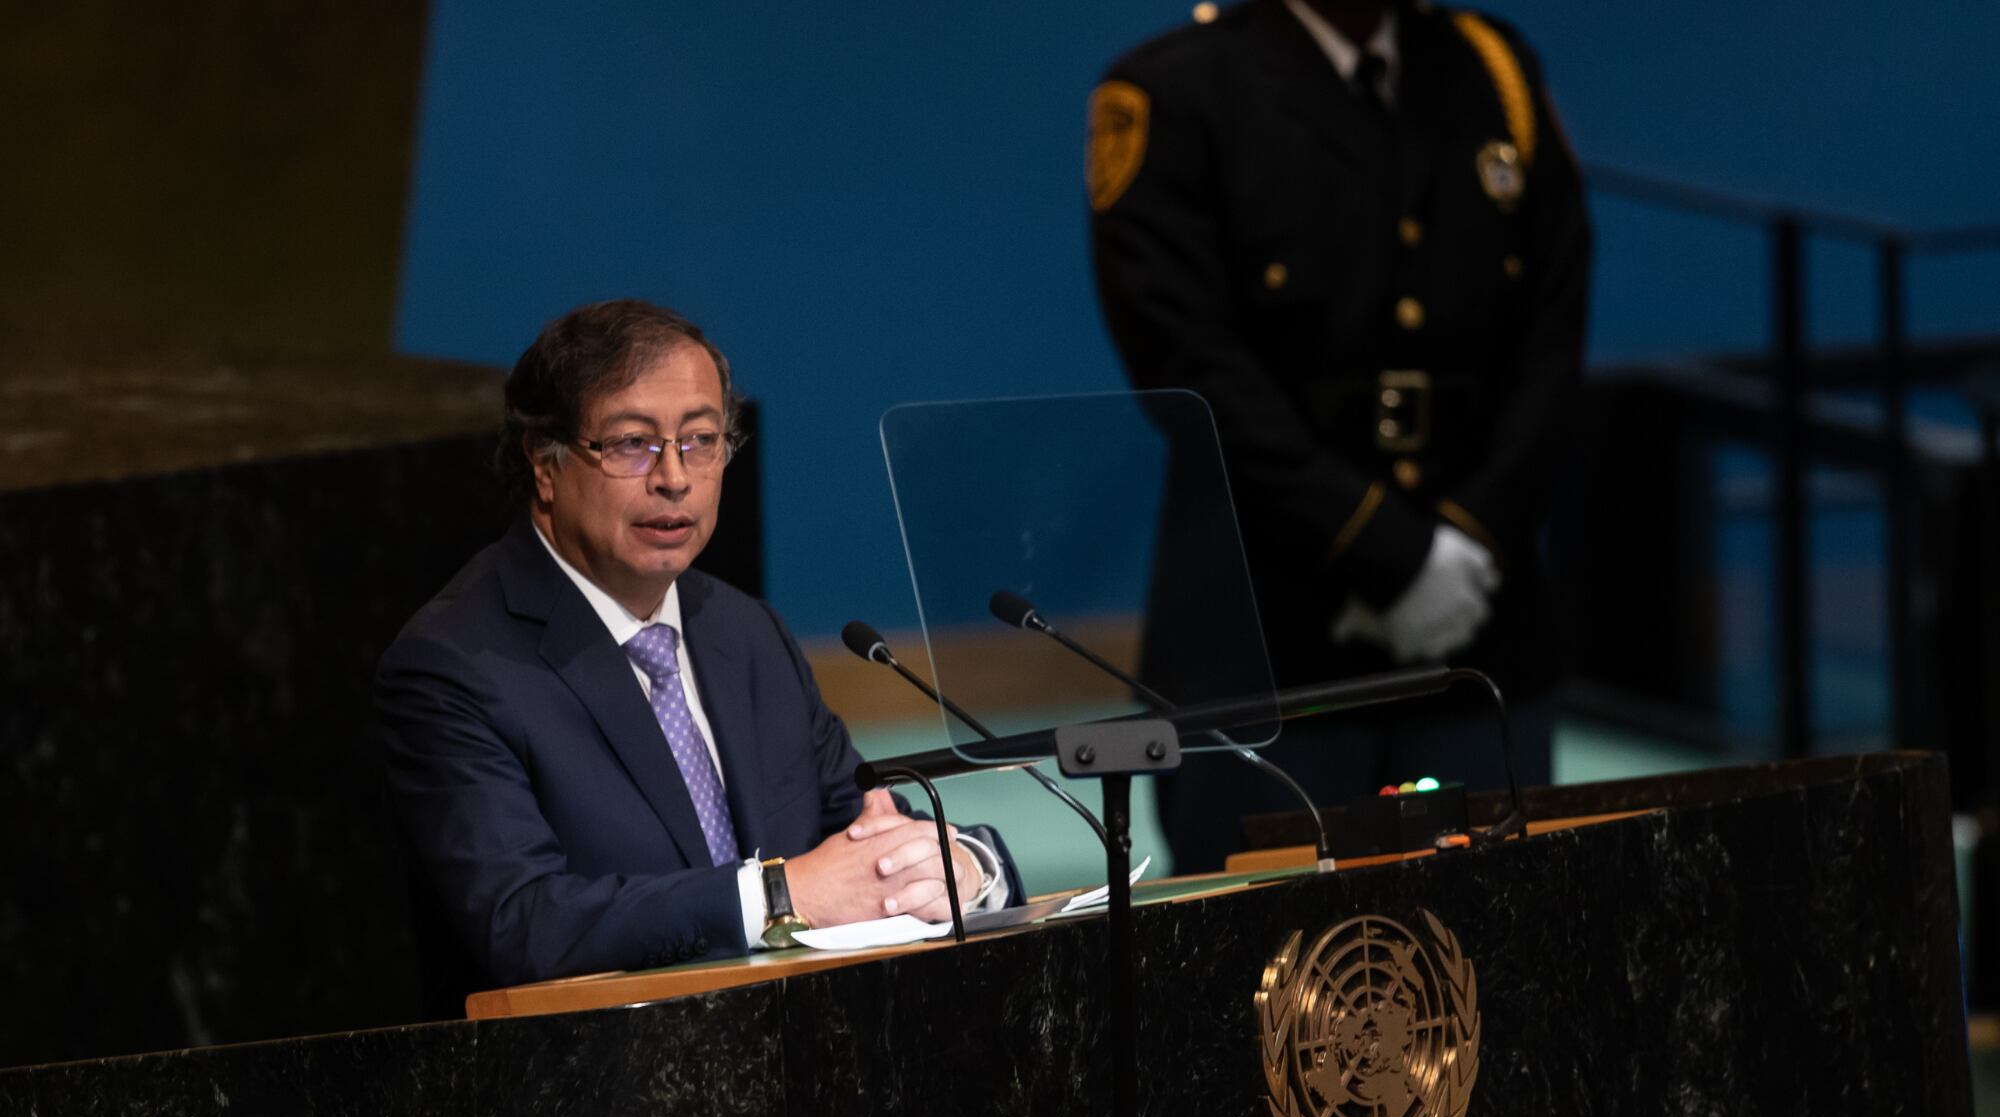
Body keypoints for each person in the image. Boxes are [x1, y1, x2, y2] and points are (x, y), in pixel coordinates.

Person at [377, 299, 1016, 988]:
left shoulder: (745, 632)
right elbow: (524, 923)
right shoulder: (456, 666)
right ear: (545, 462)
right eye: (631, 443)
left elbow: (865, 831)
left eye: (701, 440)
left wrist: (966, 870)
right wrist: (778, 896)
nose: (675, 477)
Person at [1089, 0, 1590, 869]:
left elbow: (1553, 330)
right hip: (1270, 644)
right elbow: (1192, 369)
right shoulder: (1171, 89)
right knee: (1266, 974)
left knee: (1497, 949)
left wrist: (1467, 540)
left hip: (1479, 626)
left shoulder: (1493, 67)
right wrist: (1391, 554)